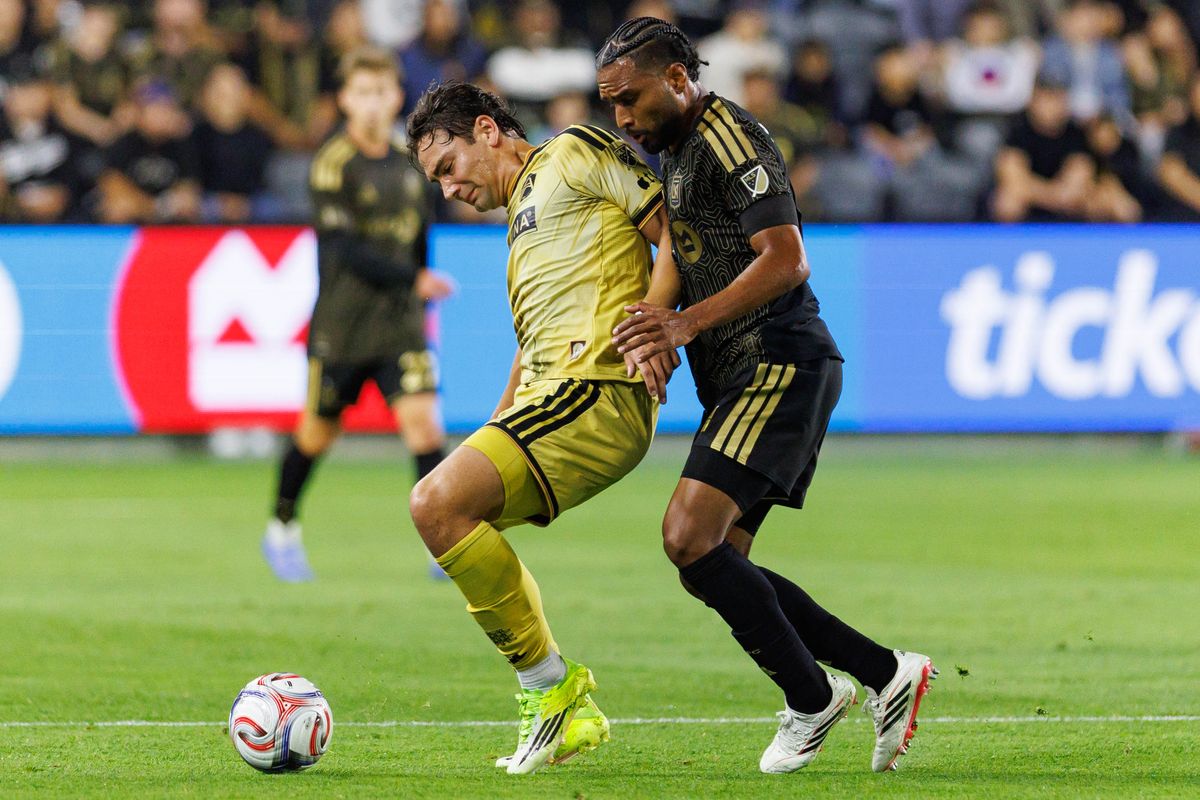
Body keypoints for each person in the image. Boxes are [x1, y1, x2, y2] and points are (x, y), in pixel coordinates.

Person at [596, 17, 936, 775]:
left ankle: (812, 700)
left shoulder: (730, 140)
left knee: (687, 537)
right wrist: (656, 329)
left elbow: (786, 260)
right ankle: (886, 675)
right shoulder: (680, 147)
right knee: (715, 561)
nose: (619, 117)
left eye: (629, 99)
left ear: (678, 80)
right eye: (609, 103)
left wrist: (682, 325)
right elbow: (682, 254)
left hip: (777, 361)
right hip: (746, 370)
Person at [405, 80, 679, 775]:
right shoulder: (521, 218)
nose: (447, 189)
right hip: (554, 394)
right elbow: (532, 348)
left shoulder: (575, 152)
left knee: (436, 502)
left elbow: (677, 230)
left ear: (488, 131)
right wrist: (493, 427)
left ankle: (549, 688)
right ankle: (556, 694)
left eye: (448, 168)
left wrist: (656, 326)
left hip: (597, 391)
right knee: (444, 510)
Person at [261, 47, 453, 582]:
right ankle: (281, 526)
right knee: (316, 434)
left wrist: (419, 293)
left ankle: (444, 544)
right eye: (362, 93)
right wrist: (413, 279)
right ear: (345, 99)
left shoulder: (411, 161)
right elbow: (343, 248)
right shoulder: (332, 163)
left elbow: (418, 241)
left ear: (397, 96)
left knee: (424, 426)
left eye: (382, 92)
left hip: (400, 323)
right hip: (344, 327)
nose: (373, 103)